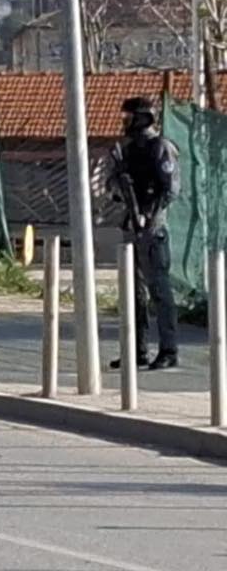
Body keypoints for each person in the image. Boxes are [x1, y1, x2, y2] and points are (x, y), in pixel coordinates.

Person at [109, 96, 180, 371]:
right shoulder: (127, 151)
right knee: (132, 292)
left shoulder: (160, 147)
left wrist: (148, 214)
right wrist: (119, 187)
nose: (125, 122)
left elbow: (170, 189)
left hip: (153, 228)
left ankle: (169, 349)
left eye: (129, 117)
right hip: (130, 226)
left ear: (143, 118)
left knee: (159, 290)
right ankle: (136, 349)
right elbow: (111, 185)